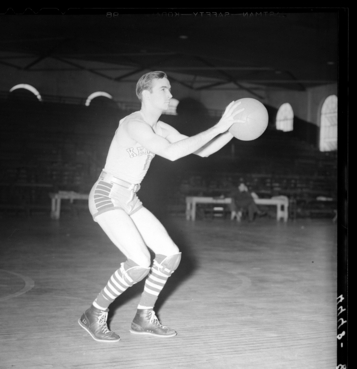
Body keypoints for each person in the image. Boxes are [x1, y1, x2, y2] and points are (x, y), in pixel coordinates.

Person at [79, 71, 245, 343]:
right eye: (164, 89)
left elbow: (202, 150)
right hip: (107, 194)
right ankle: (94, 312)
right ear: (146, 93)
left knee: (169, 255)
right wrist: (219, 126)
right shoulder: (134, 124)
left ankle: (144, 316)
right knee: (140, 262)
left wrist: (233, 130)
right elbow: (170, 153)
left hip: (129, 198)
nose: (171, 94)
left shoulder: (162, 128)